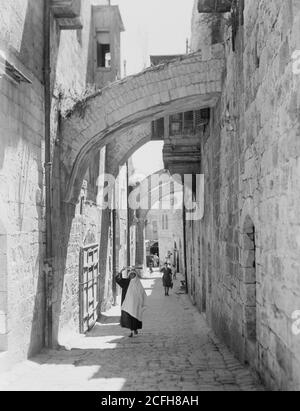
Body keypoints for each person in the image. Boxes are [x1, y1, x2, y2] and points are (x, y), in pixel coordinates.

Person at [115, 267, 147, 338]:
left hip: (136, 305)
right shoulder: (126, 282)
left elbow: (142, 293)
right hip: (128, 304)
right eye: (131, 275)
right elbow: (118, 280)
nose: (132, 276)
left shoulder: (138, 283)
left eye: (133, 275)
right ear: (129, 275)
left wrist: (141, 302)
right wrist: (120, 272)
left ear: (135, 275)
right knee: (129, 318)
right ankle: (131, 331)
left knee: (135, 318)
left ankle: (135, 329)